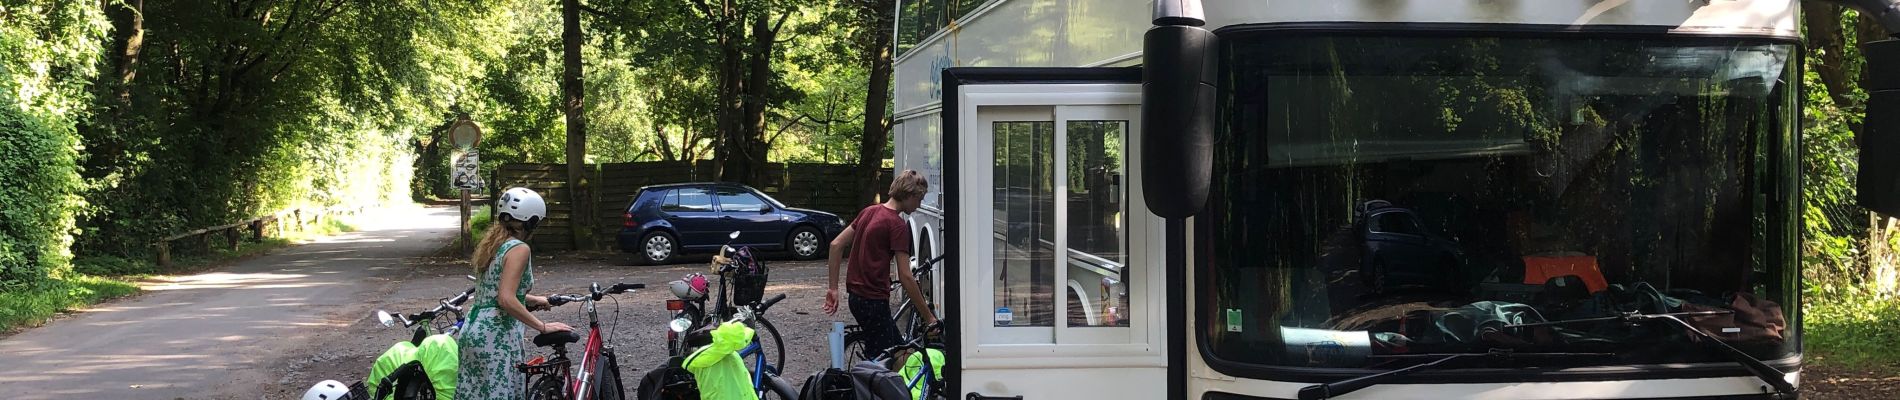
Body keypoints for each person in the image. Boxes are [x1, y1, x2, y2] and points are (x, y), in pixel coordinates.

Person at [456, 187, 573, 400]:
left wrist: (534, 300)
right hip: (496, 336)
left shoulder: (493, 244)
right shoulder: (519, 249)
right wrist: (543, 326)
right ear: (531, 221)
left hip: (473, 332)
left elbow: (492, 292)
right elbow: (505, 299)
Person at [824, 170, 937, 360]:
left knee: (896, 352)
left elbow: (836, 245)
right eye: (919, 199)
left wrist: (833, 289)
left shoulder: (869, 211)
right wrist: (929, 317)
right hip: (874, 302)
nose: (919, 206)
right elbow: (906, 276)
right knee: (888, 360)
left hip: (856, 299)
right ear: (909, 195)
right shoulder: (897, 225)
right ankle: (863, 388)